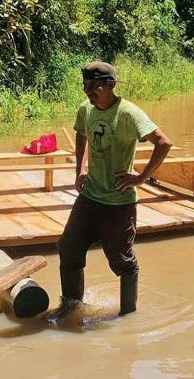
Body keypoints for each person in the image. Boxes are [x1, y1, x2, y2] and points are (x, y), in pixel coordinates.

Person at [48, 61, 173, 323]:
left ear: (111, 86)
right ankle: (71, 307)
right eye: (85, 85)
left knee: (122, 262)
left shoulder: (128, 114)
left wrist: (140, 177)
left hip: (118, 203)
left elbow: (163, 142)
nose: (88, 91)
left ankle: (128, 314)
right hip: (89, 198)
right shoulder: (86, 109)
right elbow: (81, 133)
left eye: (94, 86)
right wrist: (80, 169)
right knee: (68, 249)